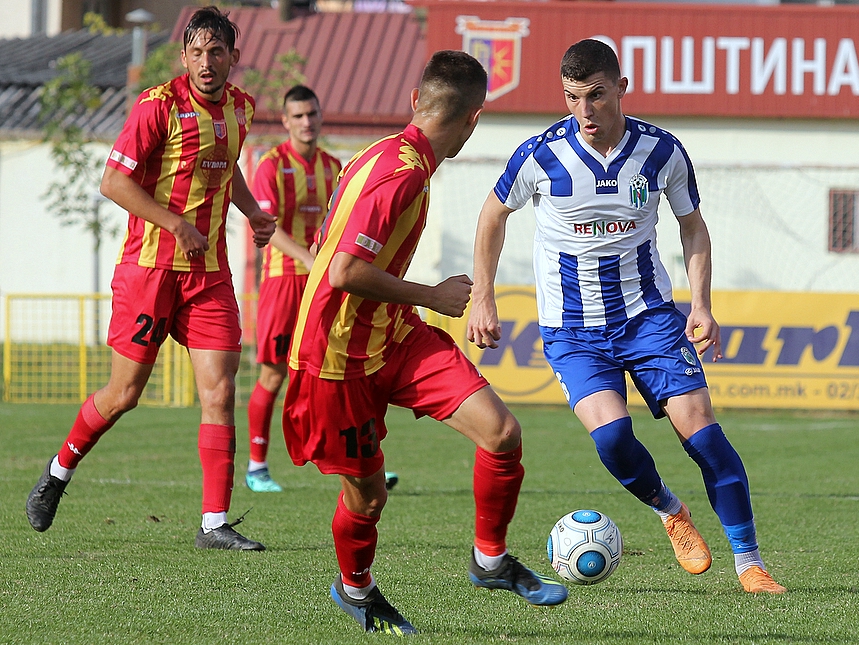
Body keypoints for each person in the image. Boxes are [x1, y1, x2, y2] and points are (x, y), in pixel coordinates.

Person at [468, 39, 785, 594]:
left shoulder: (661, 151)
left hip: (649, 318)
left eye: (595, 95)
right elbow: (493, 215)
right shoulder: (540, 155)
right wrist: (483, 295)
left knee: (706, 438)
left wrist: (702, 303)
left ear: (621, 87)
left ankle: (749, 562)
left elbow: (692, 227)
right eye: (572, 98)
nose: (584, 110)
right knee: (613, 439)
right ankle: (670, 509)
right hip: (573, 330)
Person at [281, 50, 567, 635]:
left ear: (416, 100)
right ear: (473, 120)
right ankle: (356, 590)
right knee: (367, 498)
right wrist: (431, 295)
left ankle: (490, 560)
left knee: (502, 433)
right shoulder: (403, 173)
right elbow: (341, 271)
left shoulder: (381, 153)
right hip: (335, 355)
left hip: (393, 334)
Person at [26, 6, 276, 551]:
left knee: (220, 392)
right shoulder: (157, 105)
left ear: (233, 57)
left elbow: (225, 164)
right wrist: (175, 223)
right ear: (183, 57)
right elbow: (113, 181)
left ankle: (214, 523)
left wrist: (253, 211)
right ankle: (58, 472)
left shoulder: (242, 107)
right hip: (150, 270)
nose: (206, 62)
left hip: (208, 275)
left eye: (216, 52)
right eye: (197, 52)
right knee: (124, 394)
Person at [245, 85, 342, 493]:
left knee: (337, 371)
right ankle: (256, 467)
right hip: (283, 280)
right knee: (273, 374)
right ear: (285, 121)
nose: (306, 122)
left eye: (312, 114)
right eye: (298, 116)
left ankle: (350, 461)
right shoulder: (271, 165)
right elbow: (266, 226)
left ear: (320, 116)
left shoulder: (334, 166)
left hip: (323, 281)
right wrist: (305, 256)